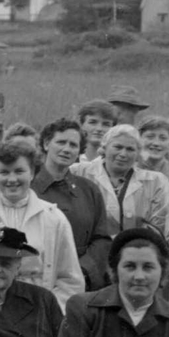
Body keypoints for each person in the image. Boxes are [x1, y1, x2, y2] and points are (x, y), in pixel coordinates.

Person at [0, 141, 84, 309]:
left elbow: (70, 280)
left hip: (38, 314)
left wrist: (49, 313)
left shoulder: (54, 219)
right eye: (4, 172)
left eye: (19, 171)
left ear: (32, 172)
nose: (12, 179)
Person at [32, 118, 113, 290]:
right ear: (46, 144)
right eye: (61, 142)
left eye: (73, 145)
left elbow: (101, 239)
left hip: (80, 283)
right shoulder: (28, 187)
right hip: (33, 281)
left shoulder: (89, 190)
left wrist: (81, 271)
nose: (67, 149)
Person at [71, 124, 169, 244]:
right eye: (117, 147)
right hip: (88, 254)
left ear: (137, 154)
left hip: (137, 252)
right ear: (105, 148)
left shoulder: (156, 181)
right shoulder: (78, 172)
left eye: (130, 149)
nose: (123, 154)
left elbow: (159, 227)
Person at [138, 115, 169, 186]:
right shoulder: (127, 170)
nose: (156, 143)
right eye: (150, 137)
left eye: (163, 138)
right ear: (139, 139)